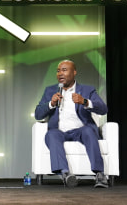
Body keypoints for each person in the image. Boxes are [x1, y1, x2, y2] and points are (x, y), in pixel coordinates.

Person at [34, 60, 109, 188]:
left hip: (81, 130)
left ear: (74, 72)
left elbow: (103, 109)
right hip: (59, 132)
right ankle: (66, 174)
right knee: (51, 134)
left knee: (88, 131)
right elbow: (38, 114)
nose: (60, 74)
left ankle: (100, 175)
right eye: (58, 71)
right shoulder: (50, 90)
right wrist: (51, 104)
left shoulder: (87, 90)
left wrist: (85, 101)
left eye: (64, 70)